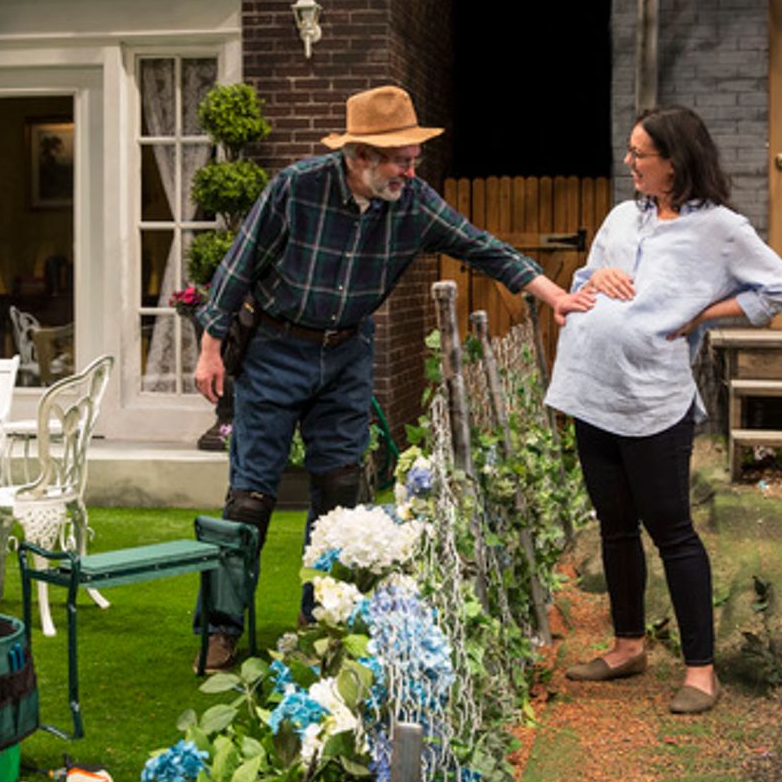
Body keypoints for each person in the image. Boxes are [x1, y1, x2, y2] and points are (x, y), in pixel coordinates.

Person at [194, 84, 594, 670]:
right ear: (360, 157)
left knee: (342, 490)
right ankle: (222, 629)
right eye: (401, 159)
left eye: (414, 157)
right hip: (276, 348)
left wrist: (553, 292)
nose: (412, 168)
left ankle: (322, 620)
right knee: (251, 496)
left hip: (347, 352)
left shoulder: (414, 203)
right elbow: (238, 266)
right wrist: (209, 347)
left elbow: (482, 247)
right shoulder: (296, 189)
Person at [544, 105, 782, 713]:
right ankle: (628, 645)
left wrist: (700, 316)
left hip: (653, 401)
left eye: (641, 154)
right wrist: (591, 284)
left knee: (672, 531)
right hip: (591, 389)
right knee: (613, 525)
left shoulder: (721, 230)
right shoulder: (618, 217)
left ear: (675, 161)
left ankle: (701, 671)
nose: (629, 163)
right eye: (629, 152)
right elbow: (584, 281)